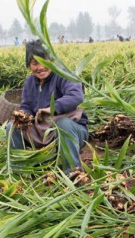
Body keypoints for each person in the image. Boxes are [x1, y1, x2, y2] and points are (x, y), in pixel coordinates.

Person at [6, 40, 89, 173]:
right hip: (42, 131)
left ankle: (73, 172)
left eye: (45, 61)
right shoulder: (29, 82)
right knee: (12, 127)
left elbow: (76, 96)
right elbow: (26, 105)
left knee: (64, 125)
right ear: (29, 65)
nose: (41, 67)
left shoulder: (63, 75)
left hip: (72, 131)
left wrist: (52, 108)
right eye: (35, 63)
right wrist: (23, 114)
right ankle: (20, 172)